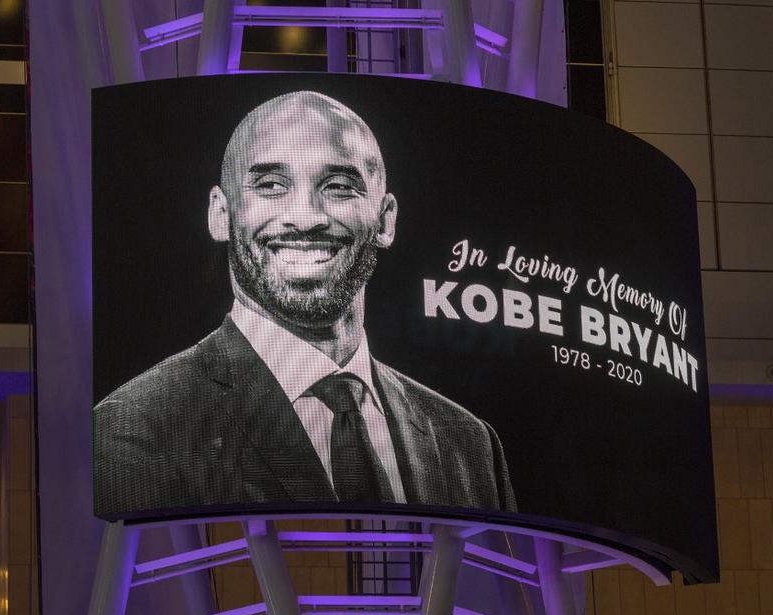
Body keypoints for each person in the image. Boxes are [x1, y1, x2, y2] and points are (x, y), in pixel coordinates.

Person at [93, 91, 517, 518]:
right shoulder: (133, 428)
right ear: (220, 214)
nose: (306, 216)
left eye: (338, 187)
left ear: (386, 220)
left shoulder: (470, 443)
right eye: (271, 186)